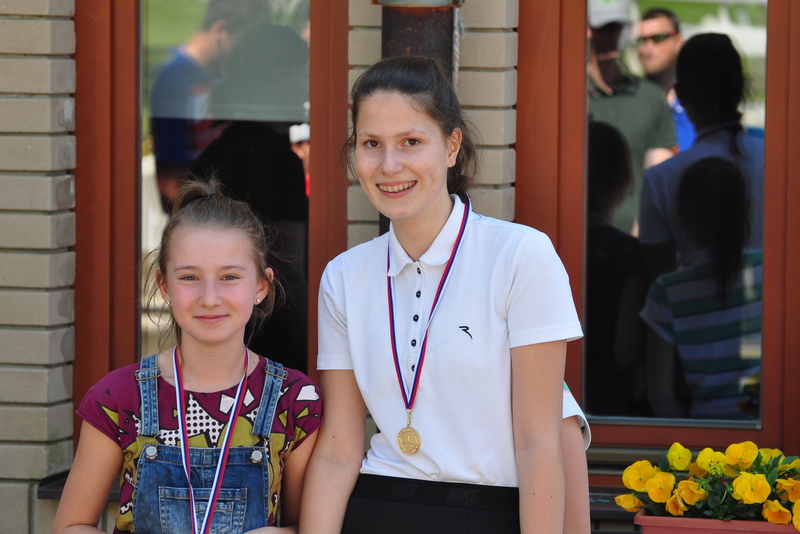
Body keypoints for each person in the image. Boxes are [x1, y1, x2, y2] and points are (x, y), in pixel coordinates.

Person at [300, 56, 587, 534]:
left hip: (490, 510)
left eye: (411, 142)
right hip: (379, 504)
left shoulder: (520, 256)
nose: (389, 165)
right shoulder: (343, 277)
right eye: (372, 144)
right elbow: (338, 452)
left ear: (451, 146)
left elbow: (540, 443)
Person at [51, 179, 321, 534]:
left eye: (229, 277)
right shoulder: (118, 397)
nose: (209, 298)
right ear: (164, 286)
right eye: (190, 277)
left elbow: (307, 525)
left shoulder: (294, 402)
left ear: (260, 286)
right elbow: (70, 526)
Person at [193, 21, 311, 374]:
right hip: (272, 351)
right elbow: (288, 268)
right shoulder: (276, 161)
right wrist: (315, 349)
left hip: (215, 345)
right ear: (274, 79)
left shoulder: (214, 154)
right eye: (301, 73)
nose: (308, 88)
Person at [640, 157, 762, 419]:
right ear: (747, 209)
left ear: (682, 216)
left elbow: (660, 398)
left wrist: (694, 437)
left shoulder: (667, 292)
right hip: (766, 434)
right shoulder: (770, 272)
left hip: (705, 438)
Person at [639, 33, 764, 283]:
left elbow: (658, 277)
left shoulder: (660, 179)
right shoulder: (781, 162)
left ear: (681, 94)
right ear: (741, 86)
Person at [149, 0, 259, 213]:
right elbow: (172, 178)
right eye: (244, 42)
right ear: (220, 30)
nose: (247, 53)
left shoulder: (216, 75)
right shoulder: (175, 82)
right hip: (200, 217)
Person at [587, 0, 676, 235]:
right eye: (602, 28)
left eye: (617, 27)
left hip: (633, 239)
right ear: (587, 31)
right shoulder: (570, 98)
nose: (611, 36)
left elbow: (659, 177)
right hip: (576, 237)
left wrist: (642, 232)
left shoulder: (649, 97)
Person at [584, 121, 649, 417]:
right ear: (624, 180)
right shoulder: (629, 255)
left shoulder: (547, 246)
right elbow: (626, 352)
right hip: (614, 408)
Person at [637, 7, 696, 151]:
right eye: (642, 40)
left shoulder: (701, 100)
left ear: (679, 42)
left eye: (658, 38)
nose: (647, 48)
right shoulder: (632, 100)